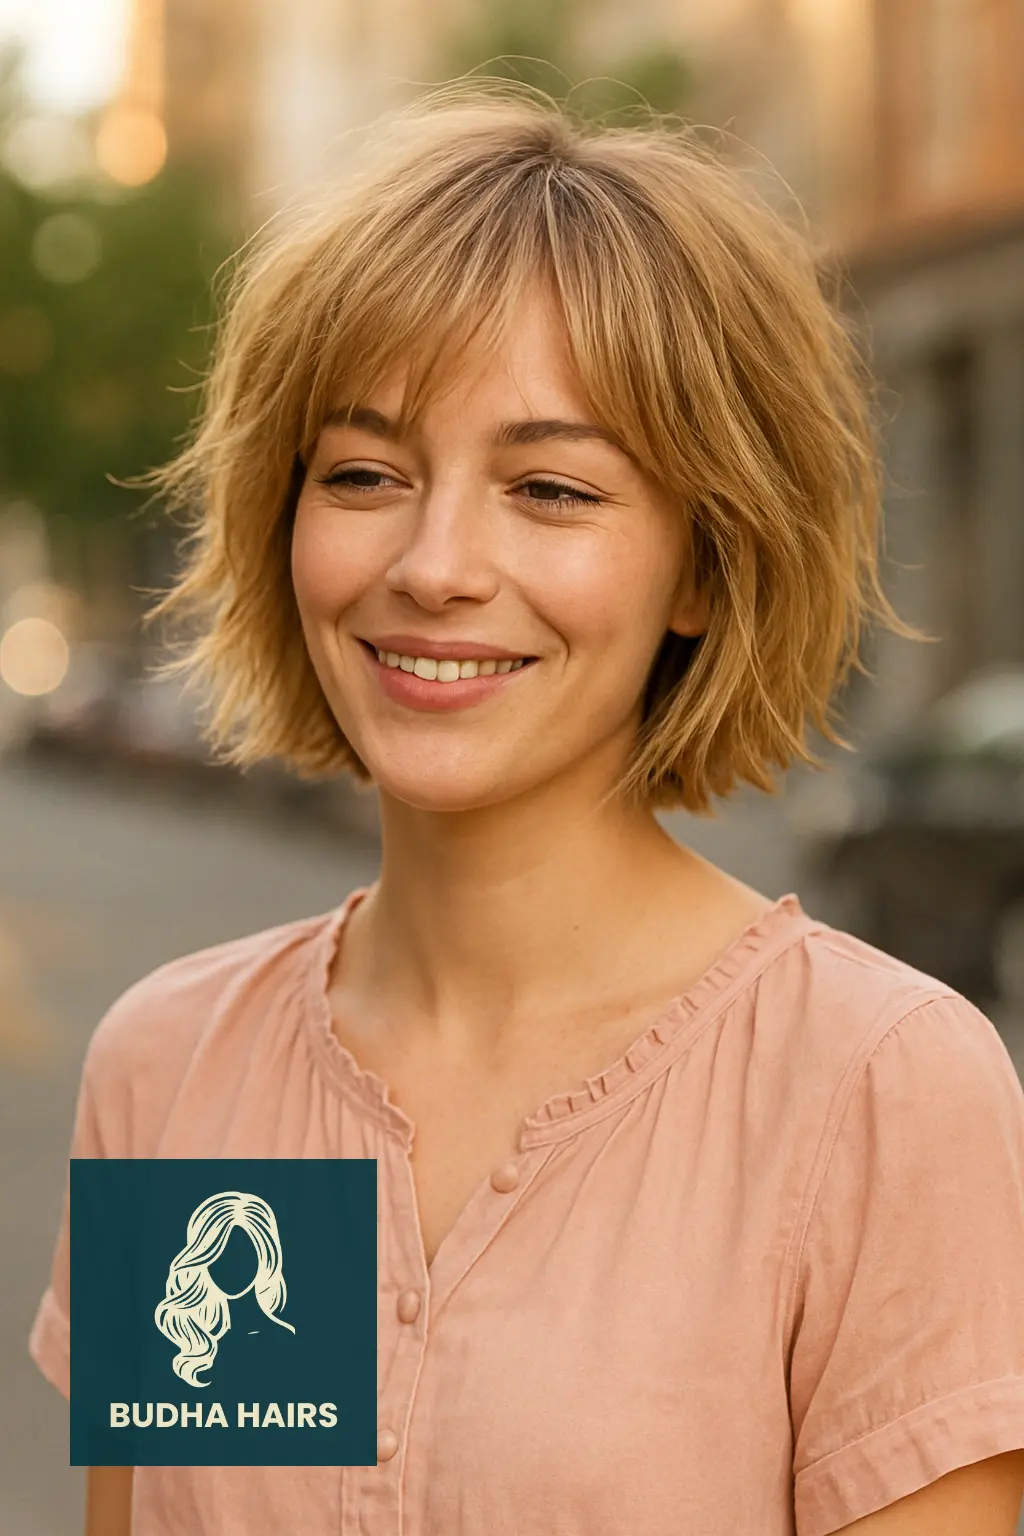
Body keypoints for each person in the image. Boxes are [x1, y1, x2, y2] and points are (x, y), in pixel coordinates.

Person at [28, 82, 1024, 1536]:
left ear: (703, 568)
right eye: (365, 472)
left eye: (550, 488)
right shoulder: (172, 1072)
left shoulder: (882, 1092)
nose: (434, 564)